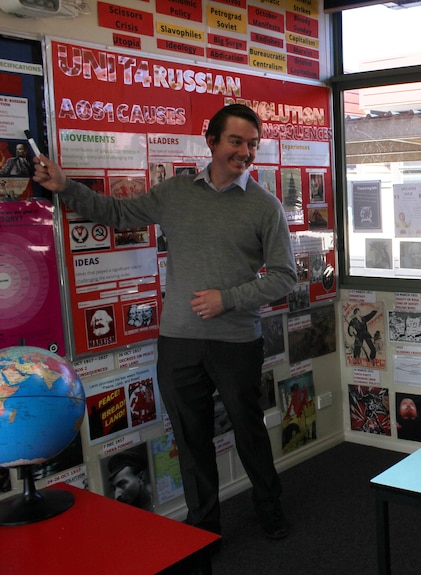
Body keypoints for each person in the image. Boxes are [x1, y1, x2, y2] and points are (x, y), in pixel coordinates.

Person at [32, 104, 297, 539]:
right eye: (236, 141)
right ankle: (203, 528)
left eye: (252, 143)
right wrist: (64, 186)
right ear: (211, 141)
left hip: (236, 342)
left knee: (249, 433)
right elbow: (117, 214)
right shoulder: (175, 193)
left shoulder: (264, 206)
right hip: (178, 342)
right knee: (192, 441)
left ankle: (271, 512)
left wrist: (225, 299)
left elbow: (285, 277)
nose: (245, 152)